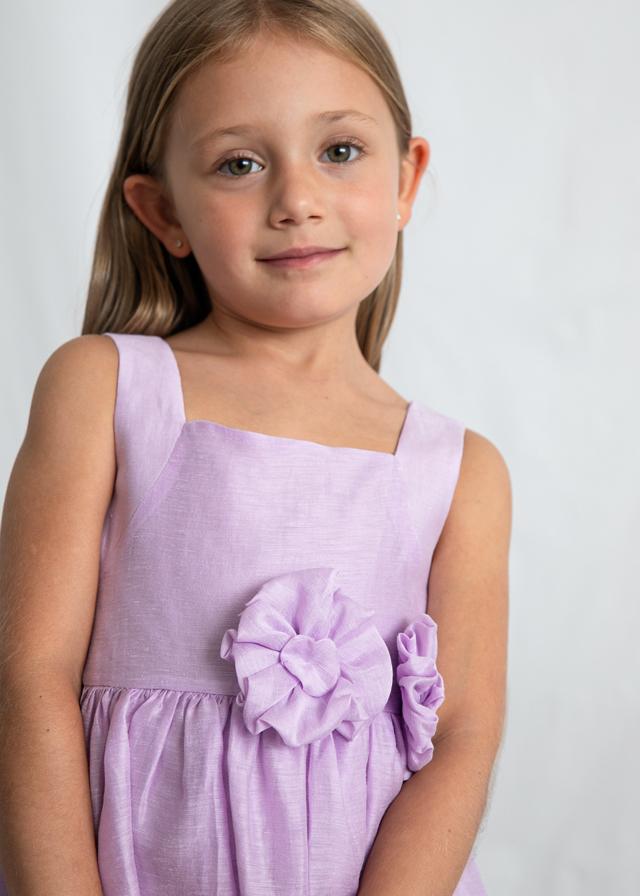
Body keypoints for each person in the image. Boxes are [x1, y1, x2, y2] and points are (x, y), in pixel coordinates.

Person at [0, 1, 512, 894]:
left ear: (406, 179)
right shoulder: (106, 390)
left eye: (339, 150)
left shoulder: (459, 471)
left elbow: (462, 739)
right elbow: (27, 676)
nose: (297, 201)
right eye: (240, 163)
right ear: (163, 211)